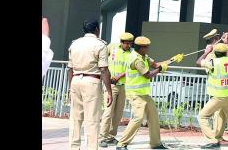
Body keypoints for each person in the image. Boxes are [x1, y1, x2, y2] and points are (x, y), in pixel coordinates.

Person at [115, 36, 171, 150]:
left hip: (144, 94)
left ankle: (156, 143)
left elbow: (155, 65)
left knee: (153, 116)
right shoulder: (136, 60)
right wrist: (160, 70)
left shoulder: (144, 56)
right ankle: (121, 144)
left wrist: (171, 60)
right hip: (135, 93)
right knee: (138, 118)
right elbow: (148, 75)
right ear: (141, 48)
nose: (148, 49)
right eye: (146, 47)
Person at [67, 21, 113, 150]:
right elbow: (103, 69)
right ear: (97, 29)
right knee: (92, 119)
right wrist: (109, 91)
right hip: (91, 81)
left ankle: (74, 147)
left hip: (75, 80)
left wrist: (70, 88)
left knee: (75, 118)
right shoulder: (100, 44)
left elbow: (69, 68)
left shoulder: (74, 44)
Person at [197, 37, 228, 148]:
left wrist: (206, 52)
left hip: (218, 96)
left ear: (215, 52)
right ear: (225, 52)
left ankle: (213, 140)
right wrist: (227, 42)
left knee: (202, 116)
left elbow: (198, 62)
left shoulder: (213, 62)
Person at [98, 33, 136, 147]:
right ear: (121, 42)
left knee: (118, 113)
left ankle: (111, 136)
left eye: (130, 43)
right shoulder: (112, 47)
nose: (128, 45)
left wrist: (120, 75)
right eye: (126, 43)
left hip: (123, 85)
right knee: (108, 111)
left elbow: (131, 68)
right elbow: (102, 60)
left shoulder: (133, 53)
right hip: (111, 85)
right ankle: (102, 137)